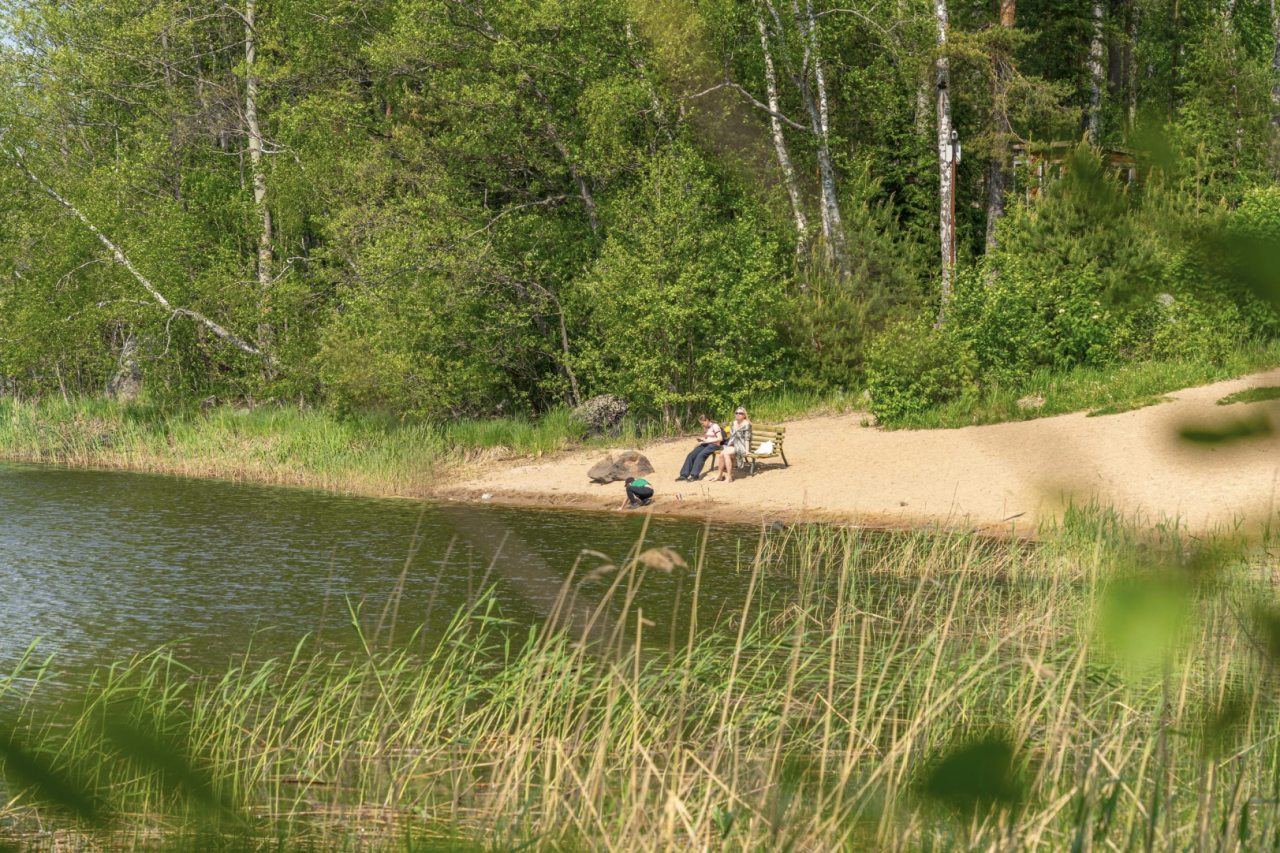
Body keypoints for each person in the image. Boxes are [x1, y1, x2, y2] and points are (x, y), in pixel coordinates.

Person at [676, 414, 724, 481]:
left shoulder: (715, 426)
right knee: (691, 455)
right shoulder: (705, 427)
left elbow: (720, 438)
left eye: (702, 423)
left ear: (707, 420)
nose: (702, 425)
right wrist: (701, 441)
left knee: (701, 455)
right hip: (706, 443)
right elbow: (707, 437)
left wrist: (708, 441)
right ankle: (683, 475)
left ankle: (694, 475)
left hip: (714, 445)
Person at [713, 406, 752, 482]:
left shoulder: (747, 424)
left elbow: (747, 439)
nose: (738, 414)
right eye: (736, 413)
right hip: (733, 444)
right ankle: (719, 475)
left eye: (740, 413)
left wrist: (747, 451)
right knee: (721, 454)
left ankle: (729, 476)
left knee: (726, 453)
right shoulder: (734, 423)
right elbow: (731, 436)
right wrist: (730, 444)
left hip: (742, 445)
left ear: (744, 415)